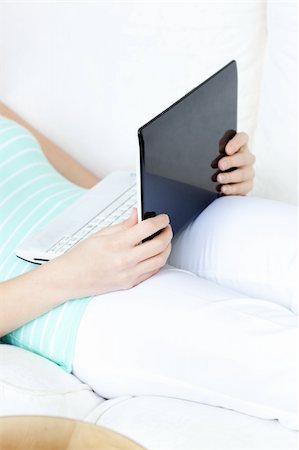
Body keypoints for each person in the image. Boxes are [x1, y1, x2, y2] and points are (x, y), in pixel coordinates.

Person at [0, 102, 297, 430]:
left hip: (120, 234)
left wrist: (196, 186)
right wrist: (71, 273)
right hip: (61, 299)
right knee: (283, 360)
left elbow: (88, 189)